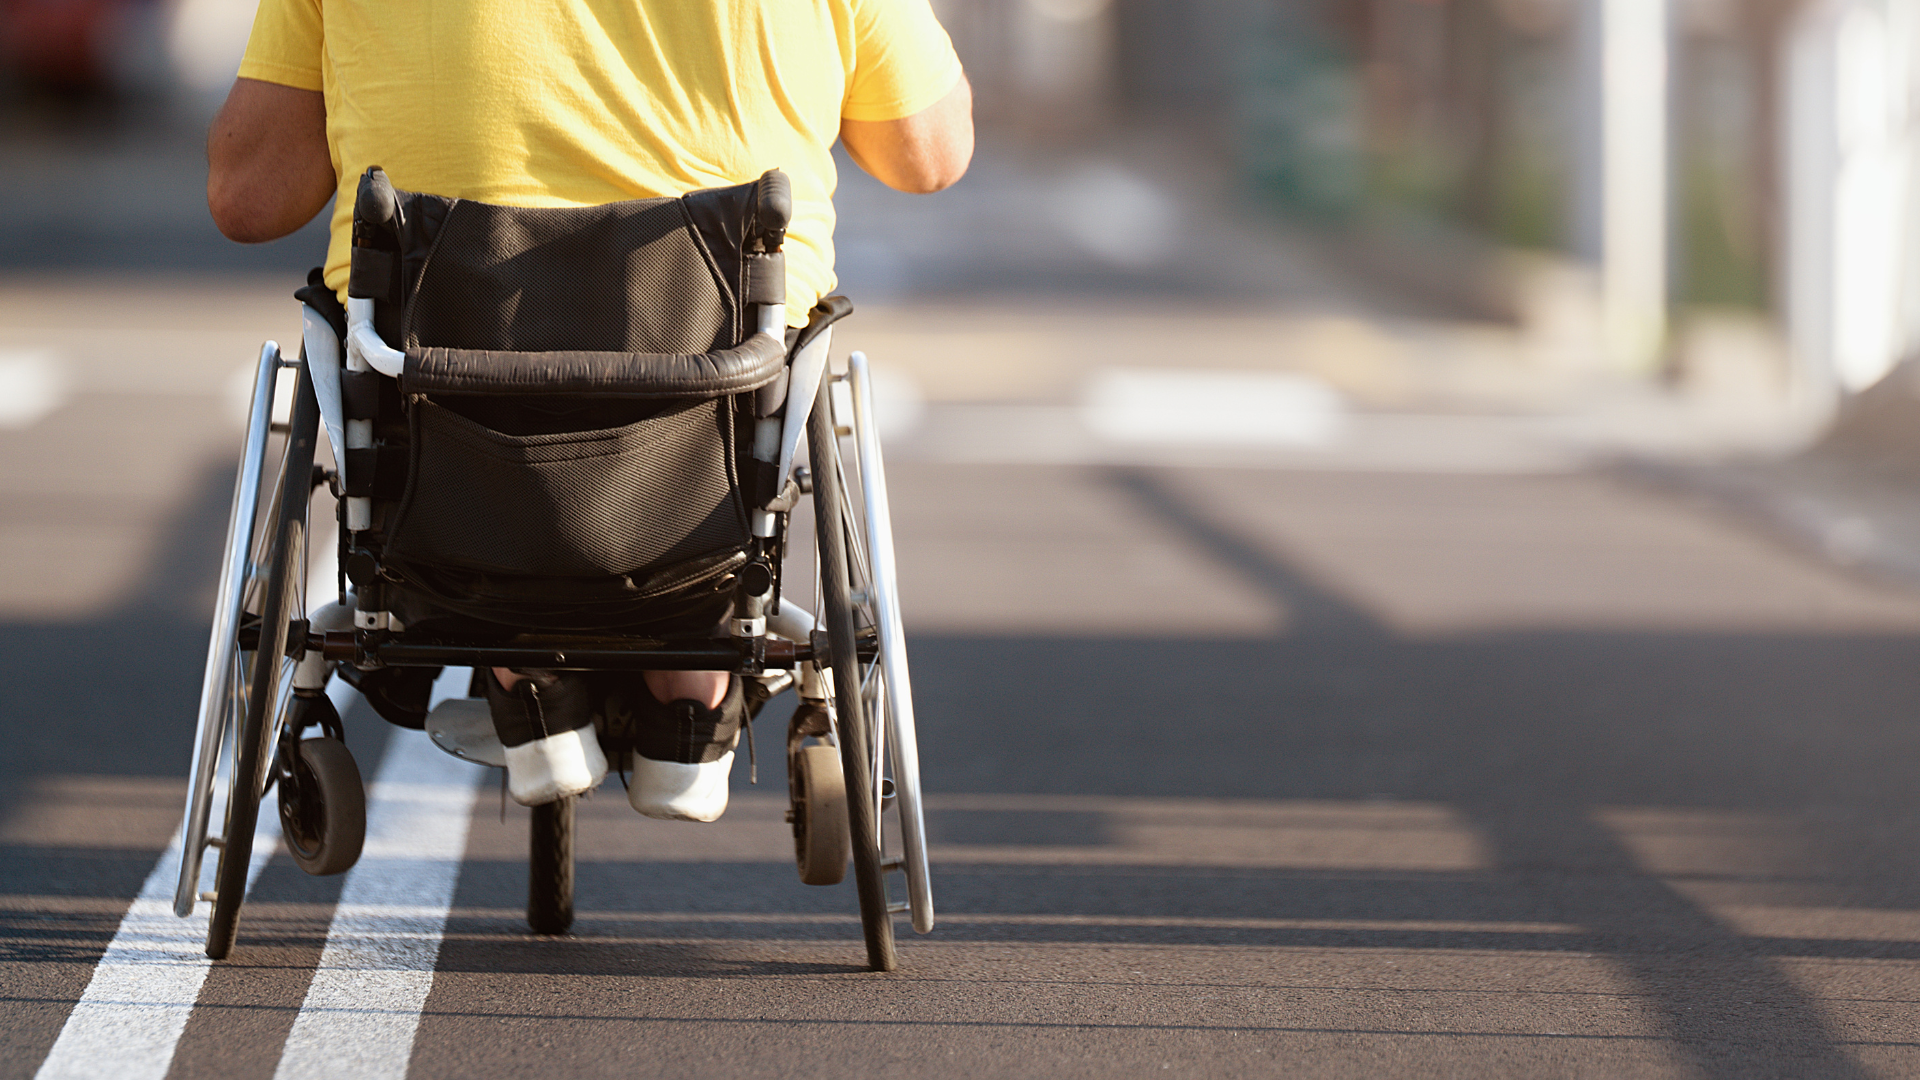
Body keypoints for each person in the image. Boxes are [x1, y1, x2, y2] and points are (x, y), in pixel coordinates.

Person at [206, 0, 972, 819]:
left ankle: (521, 668)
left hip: (444, 413)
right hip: (717, 403)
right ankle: (690, 687)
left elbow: (248, 197)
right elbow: (928, 153)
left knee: (425, 376)